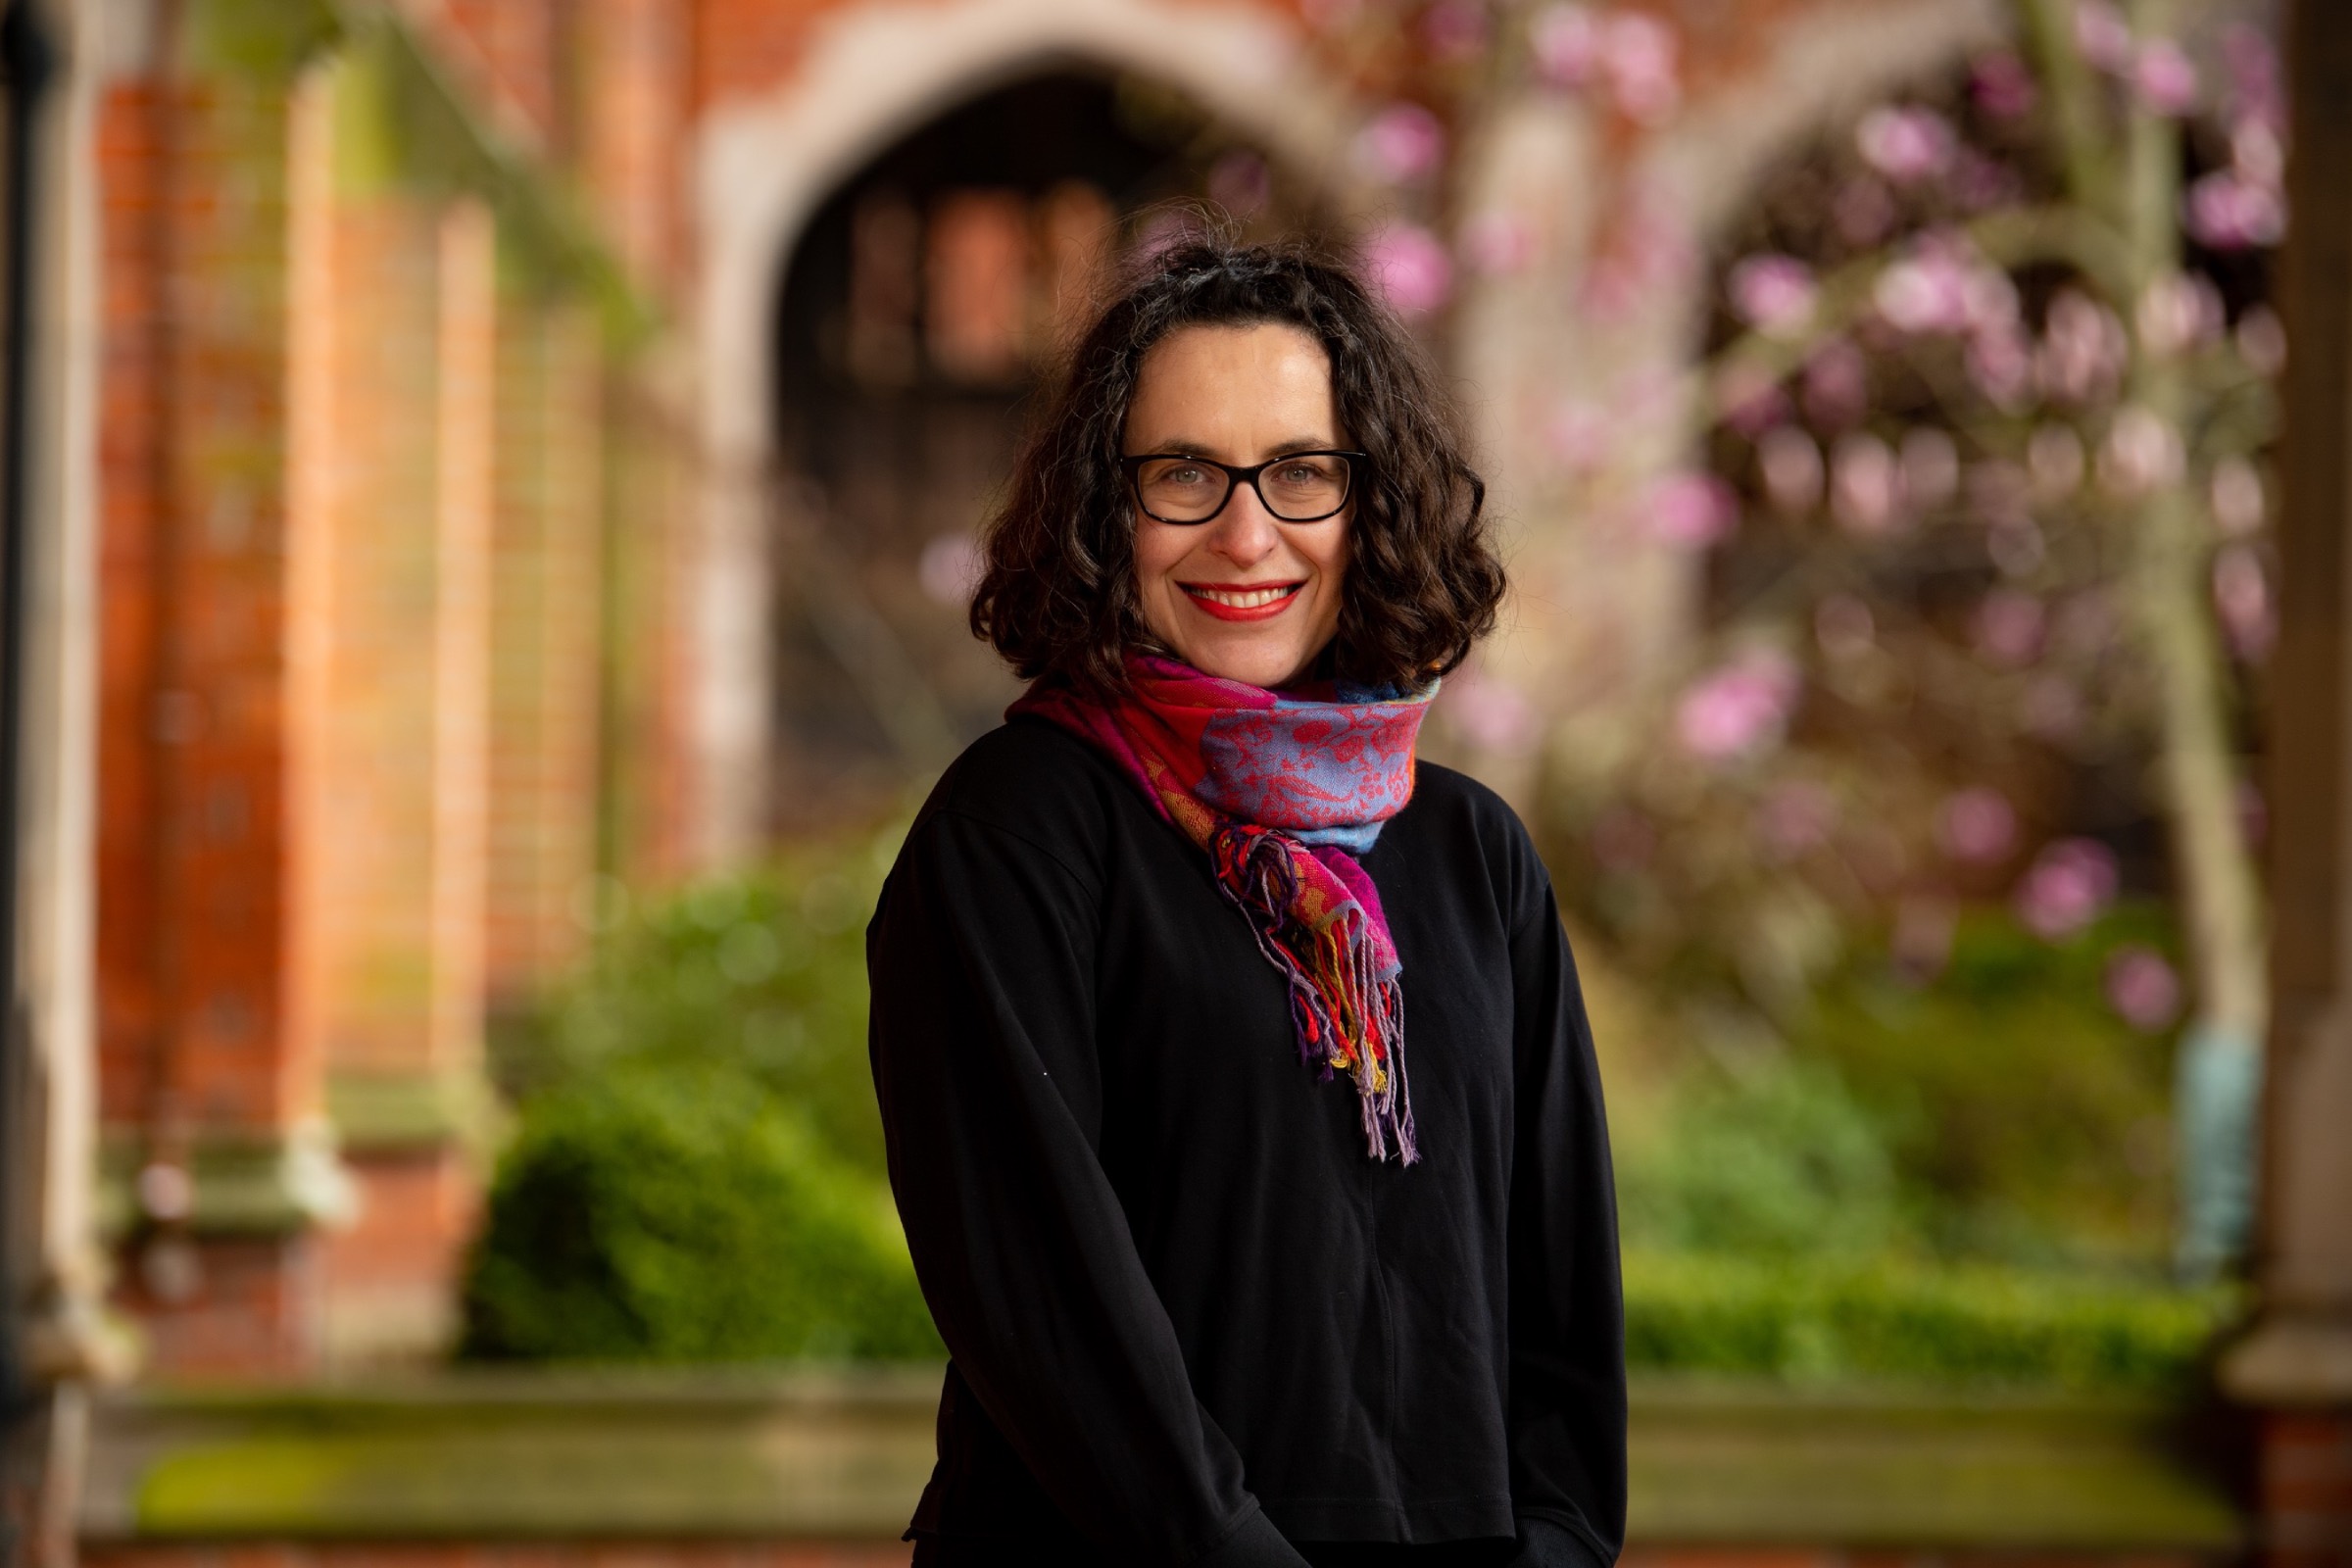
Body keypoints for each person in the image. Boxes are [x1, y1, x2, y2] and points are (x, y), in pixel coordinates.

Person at [866, 235, 1625, 1568]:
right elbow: (1038, 1293)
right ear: (1106, 508)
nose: (1246, 531)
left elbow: (1560, 1293)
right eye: (1183, 475)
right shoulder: (1020, 827)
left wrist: (1558, 1544)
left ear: (1368, 499)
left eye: (1301, 471)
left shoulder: (1472, 856)